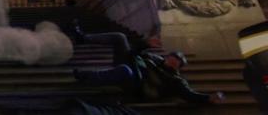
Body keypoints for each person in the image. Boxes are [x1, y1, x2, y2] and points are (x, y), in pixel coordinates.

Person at [71, 25, 225, 105]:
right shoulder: (154, 58)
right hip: (130, 67)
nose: (172, 60)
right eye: (172, 57)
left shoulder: (175, 81)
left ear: (178, 67)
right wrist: (145, 44)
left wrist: (208, 98)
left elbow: (189, 94)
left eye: (176, 62)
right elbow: (133, 53)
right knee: (120, 37)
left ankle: (86, 77)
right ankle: (82, 38)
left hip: (138, 88)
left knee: (124, 71)